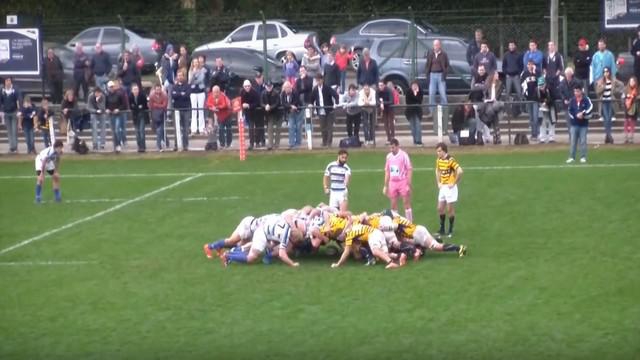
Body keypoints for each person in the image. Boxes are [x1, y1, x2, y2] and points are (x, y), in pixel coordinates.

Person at [220, 216, 303, 267]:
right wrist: (292, 264)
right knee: (250, 258)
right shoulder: (286, 235)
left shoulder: (287, 226)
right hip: (262, 234)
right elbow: (282, 254)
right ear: (294, 238)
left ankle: (229, 254)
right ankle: (228, 256)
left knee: (252, 253)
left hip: (262, 231)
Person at [435, 142, 463, 238]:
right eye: (437, 151)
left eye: (439, 151)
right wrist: (438, 182)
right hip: (443, 187)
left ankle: (450, 230)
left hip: (450, 188)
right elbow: (437, 170)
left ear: (444, 150)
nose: (437, 153)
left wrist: (454, 183)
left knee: (449, 209)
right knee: (440, 208)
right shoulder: (439, 160)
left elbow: (460, 171)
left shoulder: (450, 160)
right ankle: (442, 229)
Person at [383, 139, 413, 222]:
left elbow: (409, 169)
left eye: (393, 148)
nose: (391, 150)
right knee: (393, 205)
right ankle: (396, 224)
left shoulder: (404, 155)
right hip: (392, 183)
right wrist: (385, 186)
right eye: (390, 148)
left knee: (406, 203)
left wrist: (408, 183)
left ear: (397, 146)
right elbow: (387, 171)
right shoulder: (388, 156)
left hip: (402, 181)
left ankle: (410, 223)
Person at [594, 66, 624, 144]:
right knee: (606, 118)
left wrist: (615, 91)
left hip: (611, 101)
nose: (605, 73)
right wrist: (603, 87)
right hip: (603, 101)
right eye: (604, 72)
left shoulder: (613, 80)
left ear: (609, 72)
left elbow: (621, 85)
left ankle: (608, 136)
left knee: (609, 119)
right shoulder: (600, 81)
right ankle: (609, 136)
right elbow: (597, 91)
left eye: (607, 72)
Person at [567, 85, 593, 163]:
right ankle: (572, 157)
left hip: (583, 124)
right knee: (573, 141)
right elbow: (569, 111)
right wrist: (576, 116)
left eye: (577, 91)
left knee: (583, 141)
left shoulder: (586, 99)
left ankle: (583, 157)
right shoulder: (572, 100)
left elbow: (590, 107)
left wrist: (583, 114)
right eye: (575, 91)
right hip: (574, 124)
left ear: (581, 91)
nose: (576, 93)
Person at [312, 74, 339, 147]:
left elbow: (335, 95)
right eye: (316, 80)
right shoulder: (315, 89)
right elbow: (312, 99)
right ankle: (324, 141)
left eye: (319, 80)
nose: (318, 82)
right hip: (320, 111)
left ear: (322, 80)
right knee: (323, 127)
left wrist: (336, 103)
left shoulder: (327, 88)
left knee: (330, 127)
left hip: (329, 110)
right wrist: (311, 104)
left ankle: (329, 142)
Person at [425, 39, 449, 120]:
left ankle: (444, 112)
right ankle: (432, 112)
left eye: (437, 45)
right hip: (432, 75)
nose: (435, 47)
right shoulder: (430, 53)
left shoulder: (444, 54)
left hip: (441, 74)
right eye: (434, 45)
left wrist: (445, 74)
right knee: (431, 94)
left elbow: (447, 65)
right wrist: (427, 74)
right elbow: (427, 64)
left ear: (440, 45)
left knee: (443, 94)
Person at [34, 139, 64, 203]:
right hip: (40, 161)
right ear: (57, 147)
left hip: (49, 162)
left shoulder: (58, 152)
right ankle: (38, 197)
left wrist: (56, 171)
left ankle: (57, 196)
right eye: (60, 148)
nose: (61, 149)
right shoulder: (49, 152)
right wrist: (42, 173)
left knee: (56, 177)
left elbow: (57, 160)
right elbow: (44, 162)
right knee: (40, 179)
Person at [105, 81, 128, 153]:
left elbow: (124, 104)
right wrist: (107, 109)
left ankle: (118, 144)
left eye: (112, 87)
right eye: (110, 87)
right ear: (108, 88)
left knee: (117, 129)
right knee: (113, 131)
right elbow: (105, 105)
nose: (111, 88)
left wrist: (118, 109)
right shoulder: (107, 95)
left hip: (118, 115)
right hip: (111, 115)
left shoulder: (119, 94)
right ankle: (116, 145)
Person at [521, 60, 541, 141]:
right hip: (528, 98)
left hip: (535, 98)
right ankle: (533, 134)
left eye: (531, 64)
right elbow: (521, 83)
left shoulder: (537, 72)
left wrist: (535, 73)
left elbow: (541, 82)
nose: (529, 65)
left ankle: (536, 134)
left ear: (533, 65)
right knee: (531, 118)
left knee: (536, 117)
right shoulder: (524, 73)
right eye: (528, 64)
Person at [171, 70, 191, 151]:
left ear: (183, 76)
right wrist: (181, 93)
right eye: (178, 76)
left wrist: (178, 94)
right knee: (177, 128)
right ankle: (176, 145)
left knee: (185, 128)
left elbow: (187, 95)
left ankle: (185, 145)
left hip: (185, 109)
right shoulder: (174, 86)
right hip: (176, 110)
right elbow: (173, 95)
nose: (179, 77)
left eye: (181, 75)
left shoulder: (187, 86)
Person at [1, 77, 21, 153]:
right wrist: (1, 111)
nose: (8, 82)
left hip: (14, 112)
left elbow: (19, 99)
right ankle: (11, 147)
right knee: (9, 131)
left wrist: (19, 110)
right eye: (6, 81)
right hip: (6, 112)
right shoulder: (2, 90)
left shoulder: (15, 89)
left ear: (11, 82)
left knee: (14, 130)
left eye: (9, 80)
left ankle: (15, 147)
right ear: (5, 82)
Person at [281, 81, 304, 149]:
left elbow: (296, 101)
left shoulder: (295, 92)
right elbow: (283, 103)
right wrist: (290, 106)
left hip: (298, 111)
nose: (287, 89)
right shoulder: (283, 94)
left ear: (290, 87)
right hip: (290, 111)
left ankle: (298, 142)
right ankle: (291, 143)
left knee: (298, 127)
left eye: (288, 88)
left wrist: (292, 106)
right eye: (285, 88)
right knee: (291, 127)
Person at [502, 40, 524, 108]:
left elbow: (521, 66)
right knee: (507, 93)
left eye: (512, 45)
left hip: (516, 76)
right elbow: (504, 66)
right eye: (510, 45)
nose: (511, 47)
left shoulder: (519, 55)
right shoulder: (506, 55)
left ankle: (521, 108)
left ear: (515, 46)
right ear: (508, 46)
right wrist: (506, 73)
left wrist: (519, 74)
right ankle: (507, 109)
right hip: (508, 76)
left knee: (519, 92)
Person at [240, 79, 261, 150]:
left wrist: (249, 105)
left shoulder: (255, 93)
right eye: (246, 86)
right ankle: (251, 143)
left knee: (257, 128)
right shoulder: (242, 92)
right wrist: (242, 105)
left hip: (256, 112)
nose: (247, 87)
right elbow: (240, 101)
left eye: (248, 86)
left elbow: (257, 103)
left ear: (250, 86)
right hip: (248, 113)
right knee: (251, 129)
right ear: (243, 87)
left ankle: (257, 142)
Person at [188, 58, 207, 135]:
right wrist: (193, 74)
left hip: (200, 91)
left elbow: (201, 80)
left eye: (197, 62)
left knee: (201, 110)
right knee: (194, 110)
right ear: (192, 63)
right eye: (194, 62)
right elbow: (189, 81)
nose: (195, 63)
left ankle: (202, 128)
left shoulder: (202, 70)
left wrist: (194, 80)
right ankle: (193, 129)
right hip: (193, 92)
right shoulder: (190, 71)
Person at [149, 83, 169, 151]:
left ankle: (159, 145)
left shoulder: (164, 95)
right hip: (155, 115)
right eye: (157, 89)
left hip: (162, 114)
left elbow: (164, 105)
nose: (158, 90)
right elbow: (151, 105)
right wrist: (159, 105)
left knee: (159, 130)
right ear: (155, 89)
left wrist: (156, 105)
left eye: (159, 89)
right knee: (160, 130)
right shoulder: (152, 96)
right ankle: (167, 141)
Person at [261, 81, 282, 150]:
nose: (269, 87)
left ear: (272, 86)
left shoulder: (276, 93)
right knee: (270, 129)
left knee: (278, 129)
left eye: (270, 86)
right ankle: (270, 144)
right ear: (265, 86)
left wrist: (270, 107)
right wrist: (265, 106)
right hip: (269, 114)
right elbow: (261, 103)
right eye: (267, 86)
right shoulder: (263, 93)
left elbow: (277, 103)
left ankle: (277, 144)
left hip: (278, 113)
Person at [129, 84, 149, 152]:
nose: (136, 91)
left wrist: (138, 107)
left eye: (137, 89)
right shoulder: (130, 97)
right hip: (135, 116)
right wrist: (137, 107)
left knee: (141, 131)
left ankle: (143, 147)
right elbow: (131, 106)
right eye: (134, 89)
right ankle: (139, 146)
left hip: (142, 115)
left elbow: (145, 106)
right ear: (132, 91)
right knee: (137, 132)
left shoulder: (142, 96)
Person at [87, 86, 106, 151]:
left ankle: (102, 143)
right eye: (97, 93)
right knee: (94, 128)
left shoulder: (102, 96)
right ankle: (95, 144)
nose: (98, 94)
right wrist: (95, 111)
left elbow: (103, 107)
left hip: (102, 113)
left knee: (103, 128)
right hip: (94, 113)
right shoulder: (90, 96)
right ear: (94, 92)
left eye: (99, 93)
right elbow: (89, 107)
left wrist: (98, 102)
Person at [405, 80, 424, 146]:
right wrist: (413, 94)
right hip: (410, 111)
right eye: (413, 85)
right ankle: (415, 140)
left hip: (417, 111)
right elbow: (407, 101)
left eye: (416, 85)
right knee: (412, 127)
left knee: (418, 126)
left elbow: (420, 101)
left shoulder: (420, 92)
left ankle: (419, 141)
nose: (415, 87)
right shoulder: (408, 92)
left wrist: (415, 94)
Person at [623, 76, 639, 144]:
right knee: (626, 122)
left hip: (634, 107)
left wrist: (636, 97)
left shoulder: (637, 90)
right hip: (627, 107)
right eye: (630, 81)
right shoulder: (626, 89)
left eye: (633, 81)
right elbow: (623, 96)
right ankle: (626, 137)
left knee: (632, 122)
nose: (631, 83)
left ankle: (631, 137)